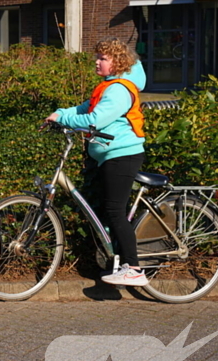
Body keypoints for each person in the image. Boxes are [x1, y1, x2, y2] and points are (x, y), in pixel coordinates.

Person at [46, 38, 146, 286]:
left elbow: (96, 119)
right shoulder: (107, 86)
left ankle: (134, 268)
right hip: (108, 155)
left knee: (114, 210)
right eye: (97, 57)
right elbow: (84, 109)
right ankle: (117, 259)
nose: (97, 62)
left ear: (118, 62)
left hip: (122, 154)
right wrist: (59, 114)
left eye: (103, 58)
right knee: (107, 209)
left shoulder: (120, 90)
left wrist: (65, 120)